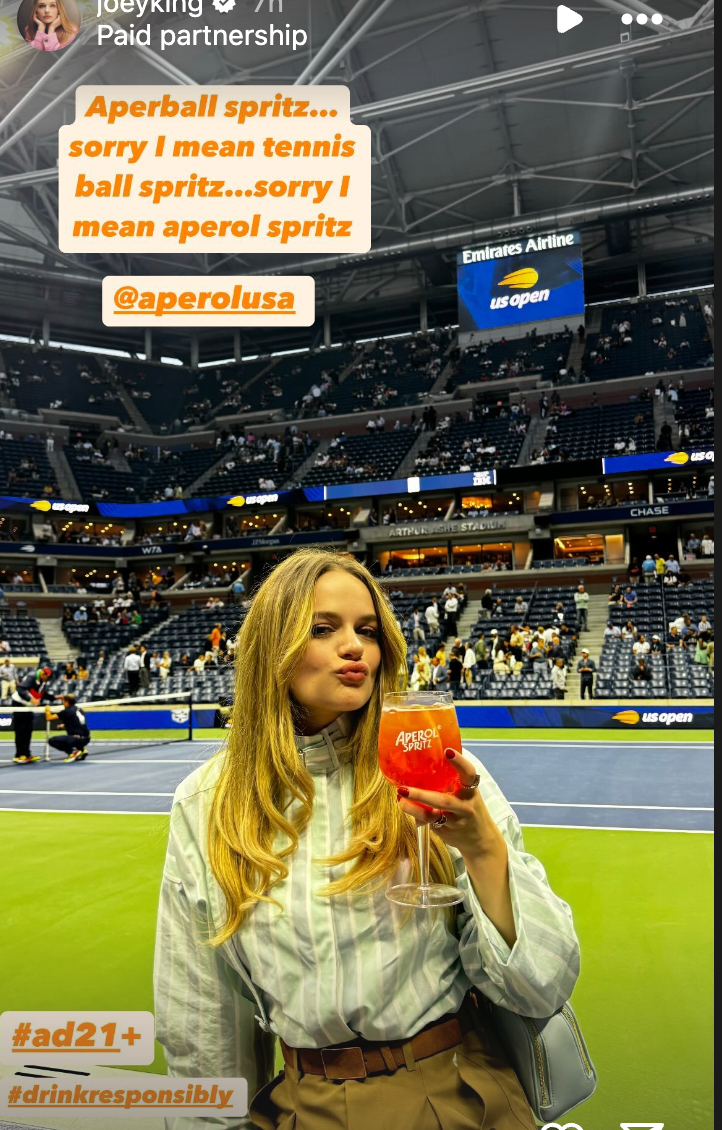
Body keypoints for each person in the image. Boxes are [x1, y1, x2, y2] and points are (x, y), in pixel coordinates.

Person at [154, 550, 580, 1130]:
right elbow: (202, 1012)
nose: (354, 647)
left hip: (456, 1095)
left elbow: (542, 987)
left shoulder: (441, 776)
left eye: (367, 631)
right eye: (322, 629)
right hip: (302, 1107)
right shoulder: (207, 804)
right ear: (270, 646)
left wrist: (484, 850)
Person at [11, 667, 53, 763]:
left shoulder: (42, 682)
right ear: (43, 674)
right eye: (47, 678)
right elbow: (20, 689)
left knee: (28, 730)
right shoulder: (31, 677)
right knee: (21, 730)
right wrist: (31, 700)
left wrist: (55, 697)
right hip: (19, 704)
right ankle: (19, 755)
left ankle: (27, 754)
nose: (48, 680)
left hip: (28, 706)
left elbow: (43, 694)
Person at [45, 694, 91, 763]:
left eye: (63, 701)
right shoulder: (79, 709)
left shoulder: (66, 711)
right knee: (71, 738)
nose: (62, 703)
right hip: (86, 738)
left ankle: (72, 753)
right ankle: (81, 750)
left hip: (76, 739)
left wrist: (47, 710)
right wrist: (64, 725)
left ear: (67, 702)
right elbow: (76, 722)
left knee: (51, 741)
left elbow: (49, 718)